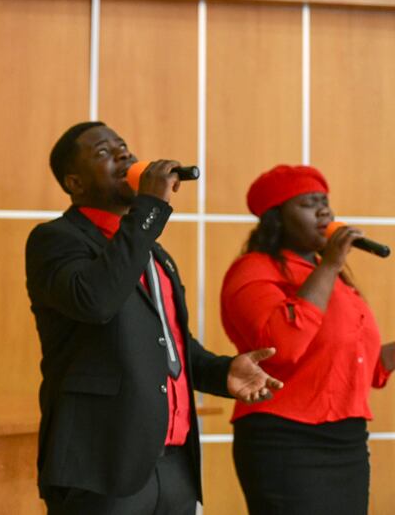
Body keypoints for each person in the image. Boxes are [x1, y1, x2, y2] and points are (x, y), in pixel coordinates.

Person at [25, 121, 283, 515]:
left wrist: (221, 371)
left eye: (123, 147)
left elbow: (172, 344)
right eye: (103, 153)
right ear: (75, 183)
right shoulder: (56, 239)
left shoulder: (152, 251)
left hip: (173, 462)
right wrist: (149, 209)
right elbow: (95, 301)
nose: (123, 156)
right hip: (103, 466)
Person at [221, 164, 395, 515]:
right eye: (308, 203)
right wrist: (329, 266)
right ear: (276, 217)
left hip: (346, 438)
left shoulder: (329, 276)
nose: (324, 210)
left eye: (325, 201)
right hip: (285, 439)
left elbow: (356, 361)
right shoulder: (254, 271)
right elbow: (282, 348)